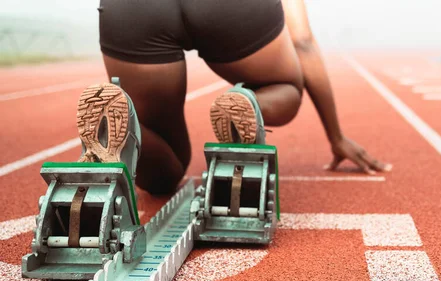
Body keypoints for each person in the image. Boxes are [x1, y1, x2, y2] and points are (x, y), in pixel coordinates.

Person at [77, 0, 391, 195]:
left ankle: (116, 126)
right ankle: (250, 103)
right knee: (284, 86)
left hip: (134, 9)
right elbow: (303, 41)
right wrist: (335, 135)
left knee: (160, 168)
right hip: (231, 8)